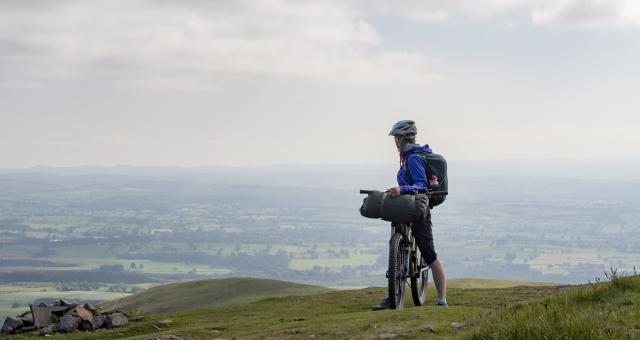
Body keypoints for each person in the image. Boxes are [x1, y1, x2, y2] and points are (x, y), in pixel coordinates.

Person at [373, 120, 448, 310]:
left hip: (418, 210)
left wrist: (401, 189)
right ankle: (393, 294)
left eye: (396, 138)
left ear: (403, 138)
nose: (395, 142)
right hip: (406, 207)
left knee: (429, 255)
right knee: (395, 240)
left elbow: (421, 185)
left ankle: (442, 300)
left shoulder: (414, 158)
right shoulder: (406, 157)